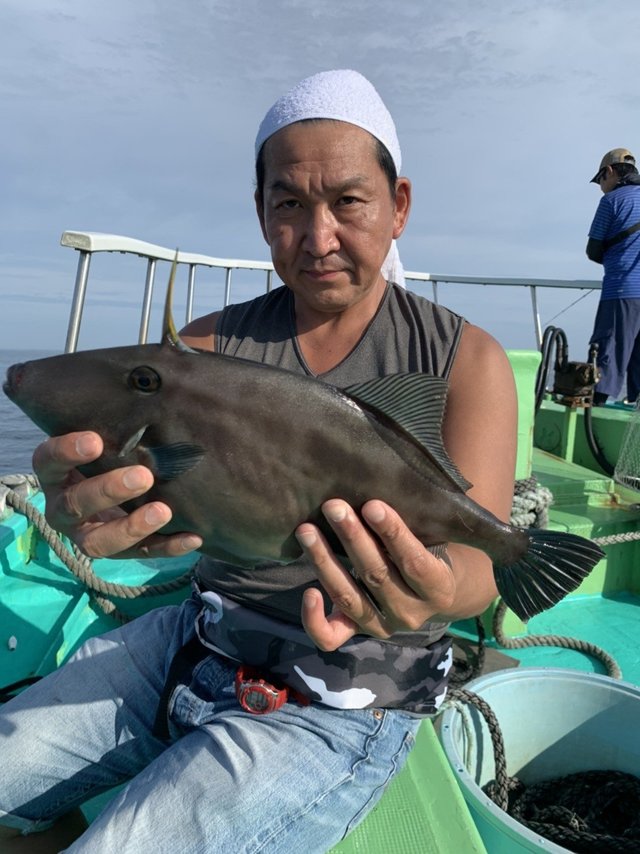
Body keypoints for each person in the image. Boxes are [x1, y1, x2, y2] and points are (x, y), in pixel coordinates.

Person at [0, 69, 517, 852]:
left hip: (348, 699)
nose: (318, 239)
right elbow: (141, 479)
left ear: (398, 205)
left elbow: (484, 557)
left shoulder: (464, 359)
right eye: (289, 205)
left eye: (348, 201)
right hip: (193, 640)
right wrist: (90, 507)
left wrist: (433, 595)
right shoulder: (206, 349)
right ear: (261, 211)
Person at [586, 147, 640, 405]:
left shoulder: (611, 201)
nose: (600, 186)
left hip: (622, 291)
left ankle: (592, 411)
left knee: (608, 353)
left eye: (600, 180)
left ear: (609, 172)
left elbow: (593, 250)